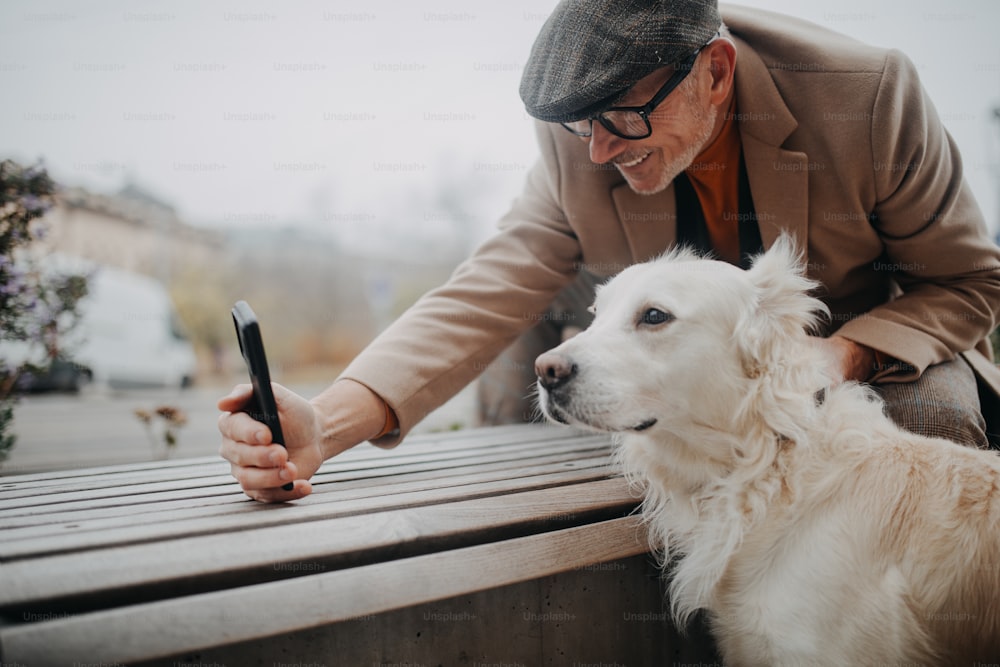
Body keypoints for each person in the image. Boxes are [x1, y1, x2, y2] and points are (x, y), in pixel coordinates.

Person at [218, 0, 1000, 502]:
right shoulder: (582, 134)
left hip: (864, 337)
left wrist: (842, 357)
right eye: (578, 127)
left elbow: (969, 281)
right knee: (529, 350)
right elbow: (490, 286)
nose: (595, 154)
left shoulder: (868, 96)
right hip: (654, 348)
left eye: (620, 120)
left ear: (715, 74)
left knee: (933, 412)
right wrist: (327, 423)